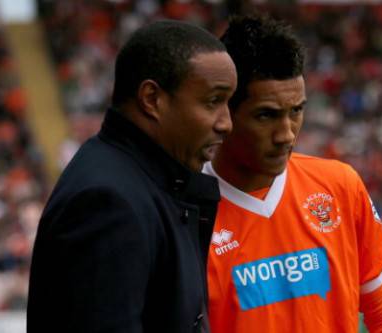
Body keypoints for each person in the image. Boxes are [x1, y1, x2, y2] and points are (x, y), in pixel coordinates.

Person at [204, 15, 382, 333]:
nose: (286, 134)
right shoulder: (184, 209)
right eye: (266, 115)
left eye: (296, 111)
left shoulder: (338, 186)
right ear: (224, 111)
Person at [27, 20, 236, 332]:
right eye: (212, 101)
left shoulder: (138, 179)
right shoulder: (107, 203)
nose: (226, 123)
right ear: (151, 99)